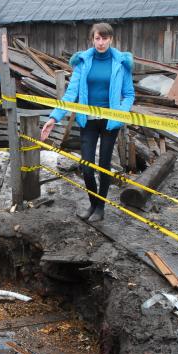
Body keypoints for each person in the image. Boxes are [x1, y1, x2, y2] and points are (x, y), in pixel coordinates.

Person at [41, 22, 135, 222]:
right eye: (97, 38)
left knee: (103, 165)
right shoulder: (83, 62)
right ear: (92, 39)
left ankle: (100, 208)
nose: (101, 42)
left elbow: (128, 94)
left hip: (110, 122)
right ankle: (93, 204)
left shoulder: (121, 63)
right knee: (87, 166)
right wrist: (53, 118)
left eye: (104, 38)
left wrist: (120, 112)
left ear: (111, 39)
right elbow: (70, 94)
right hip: (88, 121)